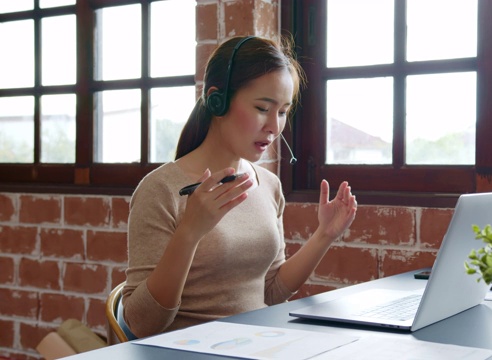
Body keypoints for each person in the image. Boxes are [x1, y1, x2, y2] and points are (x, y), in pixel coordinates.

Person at [120, 35, 358, 339]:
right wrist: (190, 232)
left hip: (257, 346)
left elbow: (270, 293)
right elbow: (141, 323)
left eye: (283, 111)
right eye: (262, 107)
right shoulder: (161, 190)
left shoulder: (269, 185)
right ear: (217, 101)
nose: (274, 126)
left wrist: (325, 235)